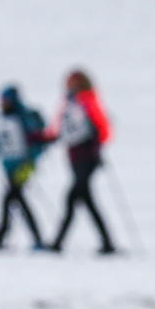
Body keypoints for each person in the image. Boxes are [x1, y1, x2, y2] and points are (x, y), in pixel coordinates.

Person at [49, 69, 116, 255]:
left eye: (72, 82)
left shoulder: (87, 100)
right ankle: (107, 243)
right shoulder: (68, 103)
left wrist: (97, 145)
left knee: (72, 198)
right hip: (74, 157)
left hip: (87, 158)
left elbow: (102, 128)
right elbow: (61, 129)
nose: (69, 85)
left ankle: (57, 242)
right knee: (86, 201)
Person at [0, 84, 53, 251]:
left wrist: (30, 163)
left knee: (10, 199)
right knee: (16, 201)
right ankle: (34, 238)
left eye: (6, 100)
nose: (3, 103)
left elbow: (36, 142)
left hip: (22, 167)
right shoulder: (2, 118)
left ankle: (1, 237)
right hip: (8, 167)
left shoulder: (24, 118)